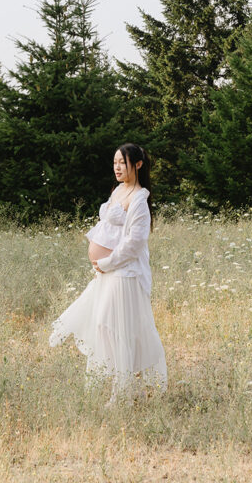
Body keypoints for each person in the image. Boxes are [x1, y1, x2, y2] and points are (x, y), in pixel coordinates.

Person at [49, 144, 167, 400]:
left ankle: (121, 393)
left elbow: (133, 244)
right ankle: (116, 383)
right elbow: (108, 230)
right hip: (107, 272)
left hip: (123, 272)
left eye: (122, 163)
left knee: (117, 329)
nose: (117, 167)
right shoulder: (118, 191)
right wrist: (100, 267)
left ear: (137, 164)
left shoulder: (139, 200)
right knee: (103, 324)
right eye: (114, 162)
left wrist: (107, 263)